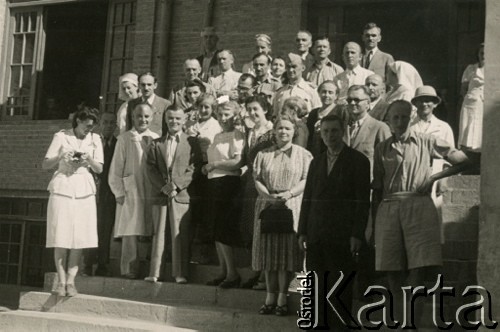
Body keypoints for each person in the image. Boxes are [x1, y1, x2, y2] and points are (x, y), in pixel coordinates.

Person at [372, 100, 469, 326]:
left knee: (418, 269)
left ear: (411, 117)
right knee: (391, 269)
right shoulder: (381, 149)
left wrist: (435, 176)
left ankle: (412, 323)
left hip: (419, 206)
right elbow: (377, 187)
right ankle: (399, 321)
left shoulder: (427, 141)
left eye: (404, 117)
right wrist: (372, 222)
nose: (399, 122)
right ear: (388, 120)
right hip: (389, 207)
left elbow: (463, 161)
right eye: (394, 118)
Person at [298, 114, 370, 330]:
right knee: (317, 285)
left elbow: (361, 201)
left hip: (342, 235)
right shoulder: (316, 162)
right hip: (316, 233)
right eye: (326, 131)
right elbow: (307, 198)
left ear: (343, 131)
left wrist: (357, 234)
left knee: (340, 286)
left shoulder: (358, 161)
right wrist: (302, 231)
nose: (330, 135)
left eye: (334, 131)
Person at [253, 115, 313, 316]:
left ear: (294, 131)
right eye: (280, 128)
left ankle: (282, 297)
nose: (283, 132)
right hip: (268, 205)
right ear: (274, 131)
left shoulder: (304, 155)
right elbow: (257, 179)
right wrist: (269, 196)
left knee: (286, 254)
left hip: (291, 204)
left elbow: (306, 179)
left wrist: (289, 194)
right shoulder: (263, 154)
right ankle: (269, 296)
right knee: (268, 253)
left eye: (287, 128)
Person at [43, 107, 104, 297]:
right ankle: (60, 282)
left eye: (92, 127)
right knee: (60, 236)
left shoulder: (95, 139)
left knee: (79, 238)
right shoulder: (61, 137)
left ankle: (71, 281)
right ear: (78, 121)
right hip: (63, 187)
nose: (89, 130)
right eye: (87, 125)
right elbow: (45, 164)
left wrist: (88, 160)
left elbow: (100, 169)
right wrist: (61, 156)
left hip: (84, 189)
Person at [145, 106, 202, 284]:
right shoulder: (157, 143)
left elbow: (194, 167)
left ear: (184, 120)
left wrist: (177, 185)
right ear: (165, 119)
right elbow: (150, 167)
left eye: (178, 119)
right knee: (159, 233)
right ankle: (155, 272)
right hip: (162, 194)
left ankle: (180, 273)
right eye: (170, 118)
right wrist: (163, 187)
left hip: (181, 194)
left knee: (179, 234)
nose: (174, 122)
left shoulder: (191, 142)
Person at [109, 103, 160, 279]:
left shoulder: (156, 138)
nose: (143, 120)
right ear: (132, 116)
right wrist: (119, 192)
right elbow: (116, 168)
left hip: (150, 188)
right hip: (130, 189)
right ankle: (128, 268)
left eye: (146, 116)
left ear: (152, 117)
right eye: (139, 116)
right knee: (131, 228)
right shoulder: (124, 139)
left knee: (147, 227)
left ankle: (146, 267)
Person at [203, 101, 245, 288]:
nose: (222, 118)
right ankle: (223, 271)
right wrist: (208, 167)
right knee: (216, 228)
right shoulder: (218, 135)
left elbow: (237, 162)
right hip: (214, 183)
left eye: (227, 114)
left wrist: (214, 165)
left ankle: (233, 273)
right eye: (220, 114)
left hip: (228, 184)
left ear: (235, 115)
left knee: (224, 229)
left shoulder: (237, 135)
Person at [239, 95, 275, 289]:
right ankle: (256, 270)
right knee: (252, 226)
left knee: (263, 226)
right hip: (251, 184)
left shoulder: (271, 131)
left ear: (265, 110)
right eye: (249, 109)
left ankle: (264, 275)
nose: (252, 113)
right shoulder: (250, 131)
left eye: (256, 109)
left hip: (266, 183)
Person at [410, 85, 455, 239]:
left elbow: (450, 159)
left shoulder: (443, 127)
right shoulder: (409, 126)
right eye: (421, 101)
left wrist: (443, 179)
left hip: (435, 174)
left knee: (433, 217)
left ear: (435, 104)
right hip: (412, 175)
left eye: (429, 101)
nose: (425, 104)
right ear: (415, 104)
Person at [83, 112, 118, 277]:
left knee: (105, 229)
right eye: (105, 122)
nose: (108, 126)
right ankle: (88, 264)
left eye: (112, 123)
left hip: (109, 193)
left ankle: (103, 265)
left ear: (116, 126)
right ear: (100, 124)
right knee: (90, 227)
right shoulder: (91, 143)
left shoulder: (118, 144)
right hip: (91, 190)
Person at [345, 85, 391, 175]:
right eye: (349, 100)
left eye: (357, 100)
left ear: (368, 103)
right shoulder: (342, 128)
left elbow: (387, 161)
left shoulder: (379, 128)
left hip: (367, 183)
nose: (352, 103)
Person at [272, 53, 321, 118]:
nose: (290, 70)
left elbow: (317, 113)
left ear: (303, 68)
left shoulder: (311, 90)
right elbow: (275, 116)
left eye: (294, 67)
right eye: (288, 67)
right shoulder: (280, 92)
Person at [126, 72, 171, 136]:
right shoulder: (132, 104)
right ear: (139, 85)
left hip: (157, 143)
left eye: (149, 85)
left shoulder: (165, 104)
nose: (146, 88)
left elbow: (168, 129)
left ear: (155, 85)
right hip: (136, 142)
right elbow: (129, 127)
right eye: (143, 85)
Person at [458, 43, 484, 152]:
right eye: (482, 53)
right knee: (467, 129)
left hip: (485, 103)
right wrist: (470, 98)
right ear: (478, 54)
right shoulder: (471, 69)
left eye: (487, 53)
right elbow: (463, 88)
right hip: (470, 104)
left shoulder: (495, 68)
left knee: (481, 131)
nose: (484, 55)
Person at [306, 80, 339, 156]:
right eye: (324, 92)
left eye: (330, 92)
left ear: (336, 95)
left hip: (333, 154)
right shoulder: (313, 113)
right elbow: (309, 136)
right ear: (319, 93)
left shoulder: (341, 111)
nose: (326, 95)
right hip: (314, 154)